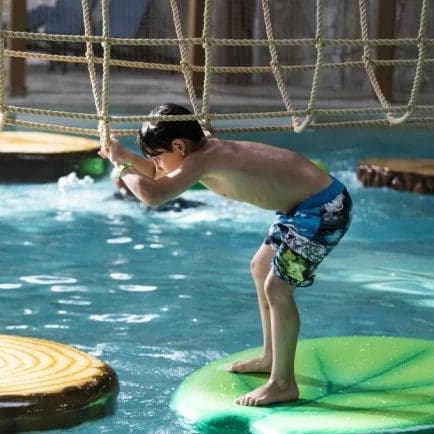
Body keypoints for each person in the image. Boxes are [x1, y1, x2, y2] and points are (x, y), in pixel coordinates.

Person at [97, 103, 352, 406]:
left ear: (179, 145)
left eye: (157, 154)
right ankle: (271, 356)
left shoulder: (204, 158)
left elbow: (154, 194)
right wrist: (123, 154)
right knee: (261, 268)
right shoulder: (199, 152)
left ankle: (284, 383)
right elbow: (156, 172)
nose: (155, 163)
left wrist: (121, 166)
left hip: (322, 210)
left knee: (277, 288)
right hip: (299, 208)